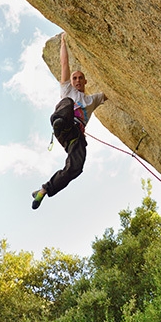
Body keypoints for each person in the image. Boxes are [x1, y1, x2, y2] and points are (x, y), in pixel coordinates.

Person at [32, 33, 107, 210]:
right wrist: (63, 42)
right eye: (75, 78)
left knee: (76, 168)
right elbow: (64, 64)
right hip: (64, 125)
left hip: (75, 137)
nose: (77, 80)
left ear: (85, 81)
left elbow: (114, 94)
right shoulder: (67, 90)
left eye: (80, 78)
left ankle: (43, 190)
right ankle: (59, 121)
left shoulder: (92, 100)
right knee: (67, 102)